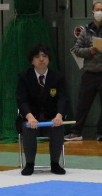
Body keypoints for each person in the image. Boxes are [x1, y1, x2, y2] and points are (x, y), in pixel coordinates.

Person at [65, 2, 102, 142]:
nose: (100, 12)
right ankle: (76, 132)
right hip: (89, 73)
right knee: (82, 105)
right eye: (97, 9)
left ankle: (101, 133)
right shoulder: (85, 31)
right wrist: (89, 51)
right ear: (92, 12)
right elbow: (77, 50)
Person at [16, 44, 68, 176]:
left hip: (51, 118)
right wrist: (30, 117)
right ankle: (29, 164)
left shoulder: (58, 77)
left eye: (44, 56)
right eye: (37, 57)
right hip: (31, 119)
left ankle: (55, 164)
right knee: (28, 128)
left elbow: (62, 98)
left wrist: (59, 116)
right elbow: (22, 100)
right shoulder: (24, 76)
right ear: (32, 60)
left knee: (58, 127)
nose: (41, 59)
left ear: (49, 59)